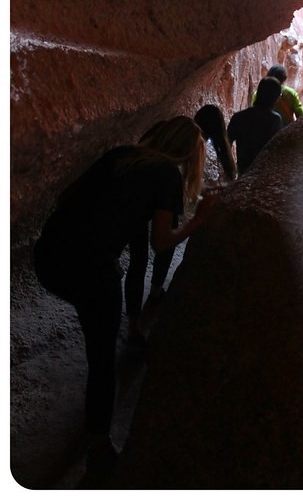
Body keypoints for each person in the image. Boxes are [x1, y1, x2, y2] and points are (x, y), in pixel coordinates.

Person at [33, 117, 218, 480]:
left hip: (47, 257)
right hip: (88, 269)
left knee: (98, 312)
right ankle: (99, 449)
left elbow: (65, 198)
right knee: (103, 363)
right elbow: (161, 242)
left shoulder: (121, 155)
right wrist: (201, 220)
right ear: (187, 152)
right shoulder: (166, 173)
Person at [125, 106, 236, 343]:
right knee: (161, 243)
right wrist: (198, 215)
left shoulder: (163, 134)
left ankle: (134, 323)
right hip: (146, 199)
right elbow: (162, 239)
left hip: (135, 198)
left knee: (138, 258)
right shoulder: (179, 155)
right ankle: (154, 292)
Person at [230, 77, 284, 175]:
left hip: (244, 172)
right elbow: (277, 152)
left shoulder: (239, 117)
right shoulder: (274, 120)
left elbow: (226, 145)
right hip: (264, 175)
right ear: (276, 98)